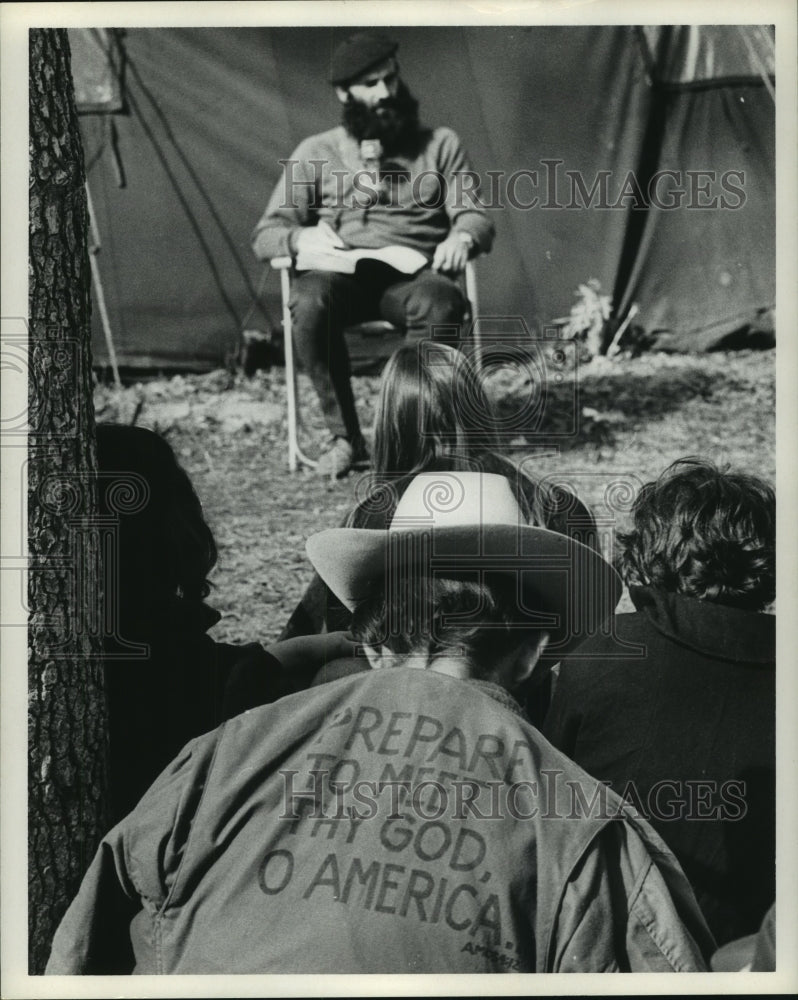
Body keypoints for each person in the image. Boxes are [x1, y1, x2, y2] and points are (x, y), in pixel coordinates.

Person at [46, 471, 714, 974]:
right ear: (535, 652)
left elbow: (82, 945)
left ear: (371, 642)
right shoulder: (584, 825)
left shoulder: (224, 755)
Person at [542, 457, 775, 947]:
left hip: (609, 934)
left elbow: (551, 803)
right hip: (749, 944)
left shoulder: (603, 650)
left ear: (649, 553)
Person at [251, 31, 495, 477]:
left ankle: (409, 436)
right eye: (370, 84)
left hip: (413, 277)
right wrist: (301, 240)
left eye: (390, 79)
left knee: (441, 302)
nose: (384, 92)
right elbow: (267, 234)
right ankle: (345, 437)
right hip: (341, 277)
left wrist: (461, 238)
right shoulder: (316, 152)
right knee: (307, 300)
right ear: (344, 93)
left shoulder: (439, 144)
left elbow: (475, 215)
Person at [96, 425, 355, 822]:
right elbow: (223, 681)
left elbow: (219, 668)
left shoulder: (115, 627)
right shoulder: (165, 654)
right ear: (168, 520)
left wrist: (310, 646)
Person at [279, 341, 597, 654]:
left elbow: (341, 633)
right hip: (526, 670)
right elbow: (588, 625)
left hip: (403, 677)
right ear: (479, 407)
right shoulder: (559, 505)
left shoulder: (371, 516)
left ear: (390, 424)